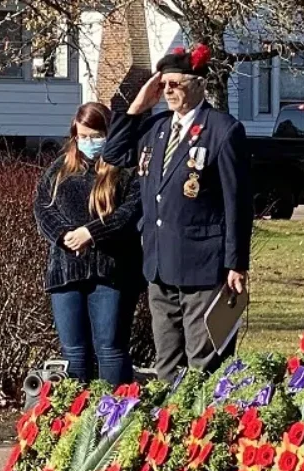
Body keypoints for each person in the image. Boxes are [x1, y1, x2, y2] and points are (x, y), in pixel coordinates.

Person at [101, 43, 252, 381]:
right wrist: (137, 107)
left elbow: (238, 202)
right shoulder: (156, 129)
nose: (167, 91)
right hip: (160, 262)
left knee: (203, 361)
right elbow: (113, 154)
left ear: (198, 85)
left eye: (175, 84)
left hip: (203, 264)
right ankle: (169, 414)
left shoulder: (223, 130)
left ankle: (203, 414)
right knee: (166, 361)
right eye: (163, 84)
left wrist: (236, 263)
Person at [33, 102, 143, 386]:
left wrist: (91, 233)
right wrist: (64, 235)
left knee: (110, 348)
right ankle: (75, 409)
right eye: (82, 136)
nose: (89, 142)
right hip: (66, 272)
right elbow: (43, 208)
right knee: (73, 352)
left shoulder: (125, 168)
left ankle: (114, 407)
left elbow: (130, 213)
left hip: (112, 272)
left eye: (95, 136)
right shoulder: (59, 168)